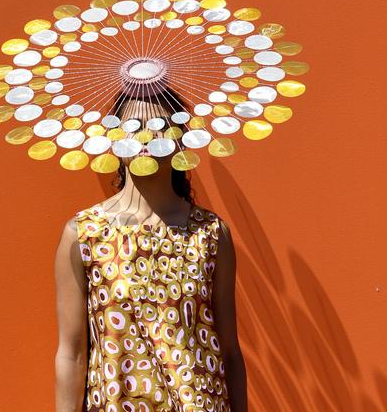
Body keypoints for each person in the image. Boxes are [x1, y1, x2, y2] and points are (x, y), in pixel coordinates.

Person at [54, 81, 248, 411]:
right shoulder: (83, 234)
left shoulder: (212, 234)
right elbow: (71, 353)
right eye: (132, 126)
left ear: (181, 140)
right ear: (113, 138)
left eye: (159, 126)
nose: (146, 137)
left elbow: (230, 351)